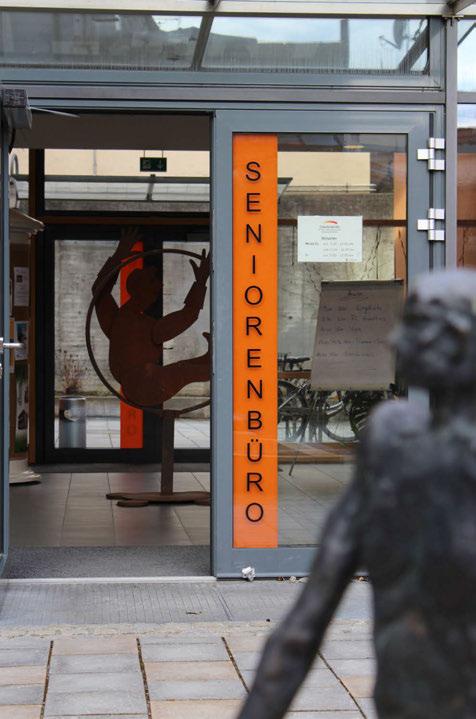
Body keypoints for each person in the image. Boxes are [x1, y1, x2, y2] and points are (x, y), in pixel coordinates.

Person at [238, 269, 476, 719]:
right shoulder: (392, 442)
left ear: (462, 340)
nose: (396, 340)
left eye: (418, 326)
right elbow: (302, 626)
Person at [92, 229, 210, 407]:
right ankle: (217, 366)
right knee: (185, 370)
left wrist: (118, 257)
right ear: (140, 289)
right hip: (146, 386)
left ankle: (211, 362)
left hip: (144, 383)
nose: (157, 291)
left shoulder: (117, 320)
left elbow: (99, 291)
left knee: (184, 368)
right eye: (153, 287)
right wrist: (200, 283)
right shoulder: (148, 328)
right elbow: (189, 314)